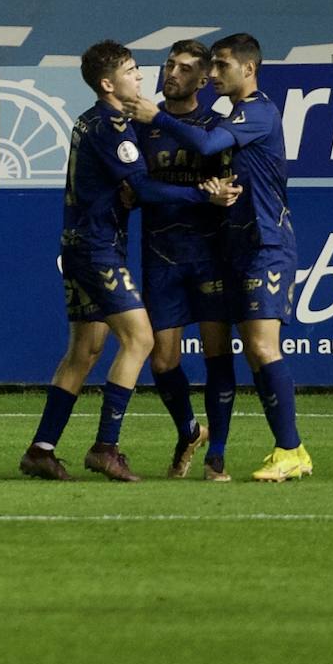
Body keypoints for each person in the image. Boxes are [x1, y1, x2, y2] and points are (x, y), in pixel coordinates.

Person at [18, 40, 238, 482]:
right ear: (108, 83)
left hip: (81, 243)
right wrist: (201, 194)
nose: (143, 77)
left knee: (84, 351)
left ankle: (41, 449)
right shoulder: (113, 126)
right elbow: (145, 187)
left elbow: (131, 186)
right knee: (141, 340)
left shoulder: (92, 122)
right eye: (133, 70)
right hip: (98, 247)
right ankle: (106, 446)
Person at [125, 33, 309, 483]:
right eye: (173, 65)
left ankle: (286, 449)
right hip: (232, 246)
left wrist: (156, 117)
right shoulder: (230, 118)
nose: (210, 74)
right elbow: (146, 185)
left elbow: (208, 147)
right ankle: (281, 447)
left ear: (247, 68)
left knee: (260, 348)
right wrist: (209, 191)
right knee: (239, 352)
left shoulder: (254, 111)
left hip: (264, 242)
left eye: (218, 66)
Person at [131, 40, 234, 480]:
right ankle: (190, 429)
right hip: (161, 255)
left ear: (203, 78)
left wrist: (224, 196)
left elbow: (230, 188)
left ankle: (218, 456)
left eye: (185, 68)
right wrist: (199, 194)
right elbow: (137, 188)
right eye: (170, 65)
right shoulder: (141, 125)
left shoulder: (217, 128)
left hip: (210, 255)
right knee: (162, 361)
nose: (172, 73)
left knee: (216, 353)